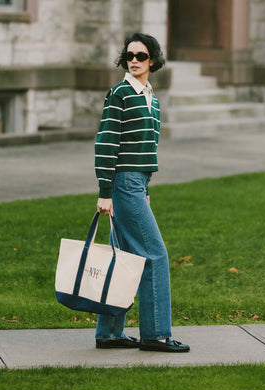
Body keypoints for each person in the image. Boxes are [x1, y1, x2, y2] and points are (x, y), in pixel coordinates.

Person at [94, 33, 190, 352]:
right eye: (129, 55)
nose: (134, 60)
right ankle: (156, 334)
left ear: (153, 60)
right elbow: (107, 144)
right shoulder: (120, 93)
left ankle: (109, 333)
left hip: (136, 184)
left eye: (141, 55)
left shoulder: (151, 97)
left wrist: (145, 188)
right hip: (122, 184)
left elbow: (146, 148)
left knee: (125, 257)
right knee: (155, 253)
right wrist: (105, 191)